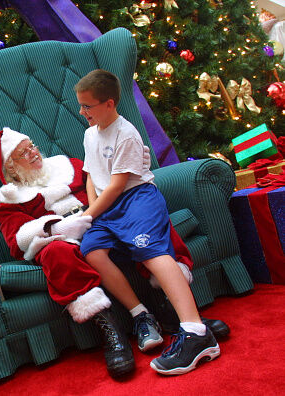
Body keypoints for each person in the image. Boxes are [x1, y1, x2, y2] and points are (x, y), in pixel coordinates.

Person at [75, 69, 220, 375]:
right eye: (81, 105)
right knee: (91, 249)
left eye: (87, 106)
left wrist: (88, 215)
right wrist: (92, 212)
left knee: (151, 251)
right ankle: (141, 314)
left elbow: (117, 185)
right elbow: (91, 175)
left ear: (109, 104)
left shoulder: (126, 133)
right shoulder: (89, 133)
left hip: (136, 198)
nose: (82, 111)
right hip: (106, 207)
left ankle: (196, 332)